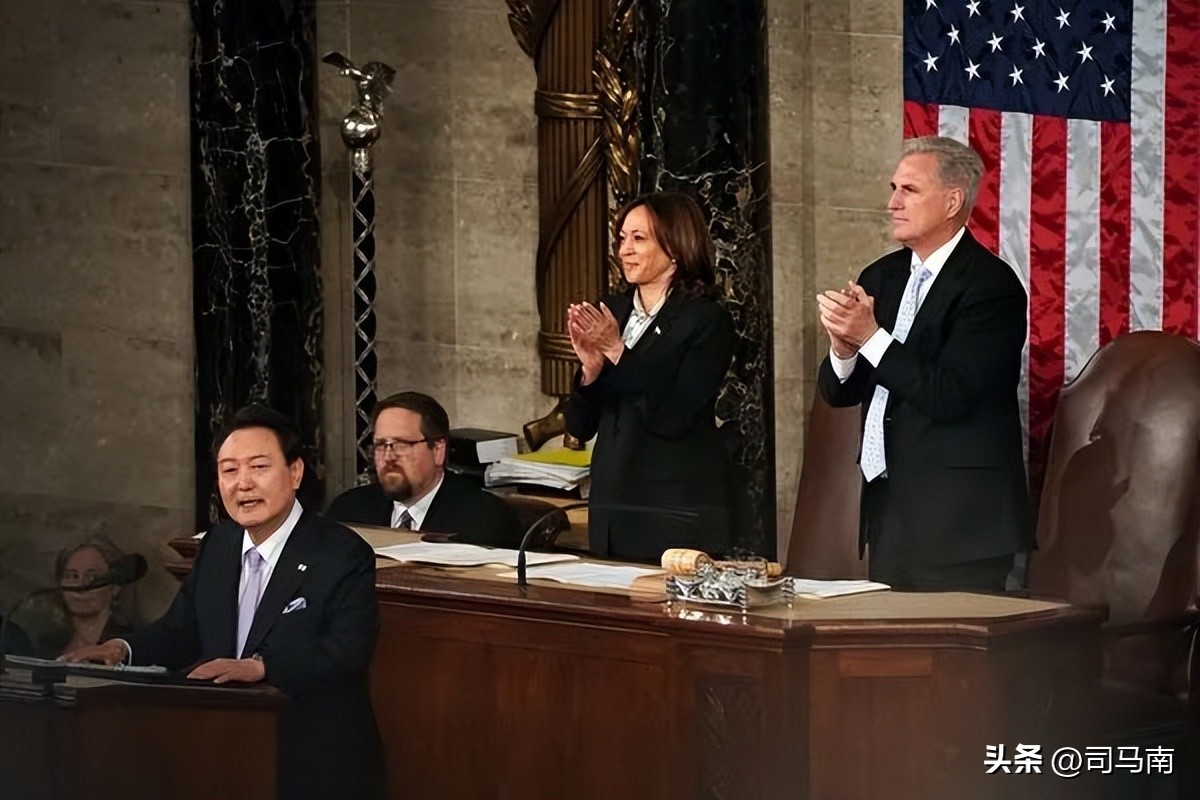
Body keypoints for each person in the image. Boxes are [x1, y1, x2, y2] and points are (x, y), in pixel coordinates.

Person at [66, 405, 385, 800]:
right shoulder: (218, 545)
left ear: (296, 472)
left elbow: (347, 649)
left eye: (258, 467)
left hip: (313, 762)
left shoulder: (340, 553)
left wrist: (261, 667)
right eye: (229, 470)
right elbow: (178, 632)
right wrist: (120, 649)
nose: (243, 484)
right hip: (224, 755)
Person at [816, 135, 1032, 592]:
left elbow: (949, 393)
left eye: (908, 190)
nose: (893, 202)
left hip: (960, 526)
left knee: (952, 664)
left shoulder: (990, 287)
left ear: (953, 200)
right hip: (889, 513)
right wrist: (843, 348)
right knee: (891, 660)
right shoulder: (882, 276)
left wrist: (870, 337)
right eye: (894, 188)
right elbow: (841, 393)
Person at [564, 191, 736, 562]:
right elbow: (580, 425)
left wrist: (617, 353)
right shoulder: (613, 310)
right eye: (622, 239)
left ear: (675, 247)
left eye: (638, 239)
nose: (625, 250)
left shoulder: (705, 320)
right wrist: (590, 370)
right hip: (611, 513)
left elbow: (674, 415)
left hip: (672, 517)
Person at [326, 391, 522, 547]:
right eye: (381, 445)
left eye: (401, 444)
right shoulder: (348, 512)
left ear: (437, 450)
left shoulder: (483, 519)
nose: (388, 457)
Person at [50, 537, 134, 659]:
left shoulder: (129, 644)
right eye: (71, 576)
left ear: (115, 587)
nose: (81, 585)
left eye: (92, 577)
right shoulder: (48, 643)